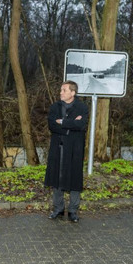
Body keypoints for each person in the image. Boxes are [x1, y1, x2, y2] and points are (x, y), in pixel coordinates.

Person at [44, 80, 89, 223]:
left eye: (64, 90)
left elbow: (81, 125)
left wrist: (63, 122)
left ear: (72, 92)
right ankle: (58, 209)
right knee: (57, 178)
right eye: (61, 90)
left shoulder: (82, 107)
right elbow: (52, 126)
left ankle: (73, 211)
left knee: (75, 178)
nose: (60, 92)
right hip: (58, 148)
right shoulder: (54, 107)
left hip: (74, 150)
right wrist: (71, 125)